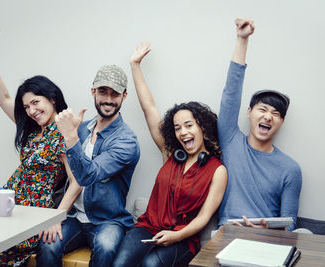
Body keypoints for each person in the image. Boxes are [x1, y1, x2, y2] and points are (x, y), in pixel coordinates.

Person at [112, 42, 227, 267]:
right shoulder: (171, 153)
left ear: (202, 127)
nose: (183, 132)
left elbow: (203, 219)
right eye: (177, 128)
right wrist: (135, 65)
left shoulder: (217, 170)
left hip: (183, 237)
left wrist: (175, 235)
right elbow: (149, 108)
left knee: (151, 265)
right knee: (120, 264)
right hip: (147, 227)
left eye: (188, 125)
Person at [0, 29, 82, 266]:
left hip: (34, 213)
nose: (31, 111)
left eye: (36, 102)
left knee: (0, 251)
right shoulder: (30, 128)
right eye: (26, 106)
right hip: (9, 206)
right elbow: (2, 98)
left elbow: (77, 181)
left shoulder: (63, 129)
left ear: (53, 99)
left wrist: (55, 219)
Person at [36, 64, 140, 267]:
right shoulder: (81, 128)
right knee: (47, 244)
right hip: (73, 217)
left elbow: (87, 175)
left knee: (106, 247)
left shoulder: (127, 142)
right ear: (93, 92)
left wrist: (70, 137)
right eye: (103, 91)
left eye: (115, 93)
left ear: (124, 96)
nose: (108, 99)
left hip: (108, 221)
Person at [217, 18, 302, 231]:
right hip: (227, 233)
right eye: (262, 110)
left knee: (305, 233)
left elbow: (290, 225)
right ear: (249, 113)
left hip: (267, 239)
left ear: (281, 122)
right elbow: (231, 93)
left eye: (275, 113)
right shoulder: (231, 141)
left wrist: (267, 232)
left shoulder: (290, 169)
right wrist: (242, 40)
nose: (268, 117)